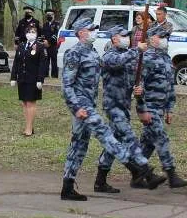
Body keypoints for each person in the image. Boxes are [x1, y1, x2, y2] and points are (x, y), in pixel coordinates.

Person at [60, 18, 166, 201]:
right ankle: (137, 169)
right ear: (80, 33)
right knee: (106, 133)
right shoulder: (74, 53)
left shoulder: (92, 52)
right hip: (82, 105)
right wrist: (76, 107)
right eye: (90, 29)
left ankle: (67, 187)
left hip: (90, 105)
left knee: (79, 146)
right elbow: (66, 85)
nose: (93, 31)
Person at [136, 27, 187, 188]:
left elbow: (170, 86)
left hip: (160, 108)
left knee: (147, 143)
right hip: (150, 107)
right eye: (162, 36)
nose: (166, 39)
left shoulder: (166, 58)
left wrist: (169, 109)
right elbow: (138, 86)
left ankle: (137, 175)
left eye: (167, 37)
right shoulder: (147, 59)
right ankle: (171, 174)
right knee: (161, 138)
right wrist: (142, 109)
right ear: (152, 39)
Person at [95, 25, 145, 193]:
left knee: (113, 144)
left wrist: (138, 88)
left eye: (128, 36)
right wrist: (136, 50)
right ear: (114, 39)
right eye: (123, 36)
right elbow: (117, 62)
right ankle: (142, 169)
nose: (127, 38)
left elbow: (133, 80)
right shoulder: (109, 55)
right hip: (113, 106)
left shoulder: (128, 57)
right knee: (129, 136)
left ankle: (100, 181)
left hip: (124, 106)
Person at [9, 20, 46, 137]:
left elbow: (42, 65)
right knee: (24, 103)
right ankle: (28, 126)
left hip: (33, 80)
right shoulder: (21, 46)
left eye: (33, 32)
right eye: (29, 32)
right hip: (22, 79)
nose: (31, 33)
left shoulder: (40, 47)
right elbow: (16, 63)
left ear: (36, 34)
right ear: (25, 34)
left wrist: (40, 79)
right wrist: (13, 77)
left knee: (30, 103)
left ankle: (29, 128)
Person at [41, 9, 60, 78]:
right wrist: (44, 41)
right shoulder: (45, 24)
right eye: (48, 15)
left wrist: (48, 42)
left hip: (53, 45)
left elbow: (56, 34)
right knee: (46, 61)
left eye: (51, 15)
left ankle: (54, 75)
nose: (49, 16)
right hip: (45, 46)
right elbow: (42, 34)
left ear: (53, 15)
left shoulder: (57, 24)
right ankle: (46, 75)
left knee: (54, 61)